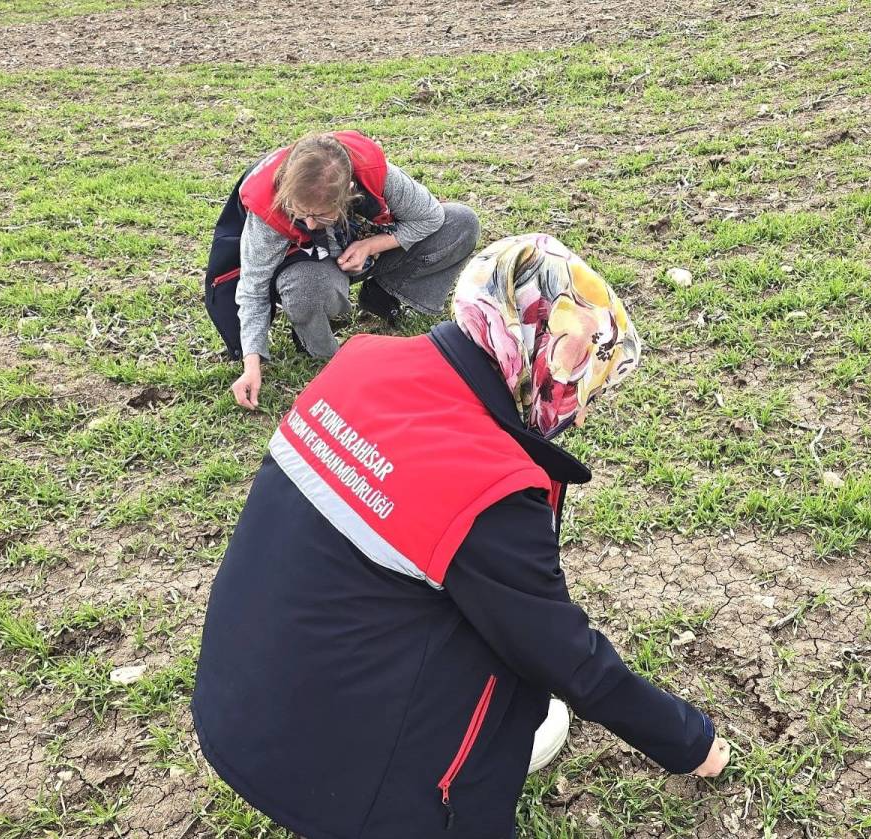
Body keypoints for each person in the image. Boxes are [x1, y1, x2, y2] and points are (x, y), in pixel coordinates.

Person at [191, 234, 730, 839]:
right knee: (514, 652)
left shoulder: (362, 358)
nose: (580, 409)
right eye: (582, 379)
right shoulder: (488, 483)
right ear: (544, 353)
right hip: (333, 788)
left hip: (236, 708)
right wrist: (691, 741)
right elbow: (566, 657)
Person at [201, 129, 480, 409]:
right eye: (301, 213)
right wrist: (251, 365)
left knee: (461, 223)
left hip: (364, 247)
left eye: (321, 215)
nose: (310, 224)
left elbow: (431, 217)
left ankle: (383, 294)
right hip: (311, 267)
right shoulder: (270, 207)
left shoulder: (377, 174)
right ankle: (320, 347)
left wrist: (371, 245)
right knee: (305, 288)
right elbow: (253, 287)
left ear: (349, 191)